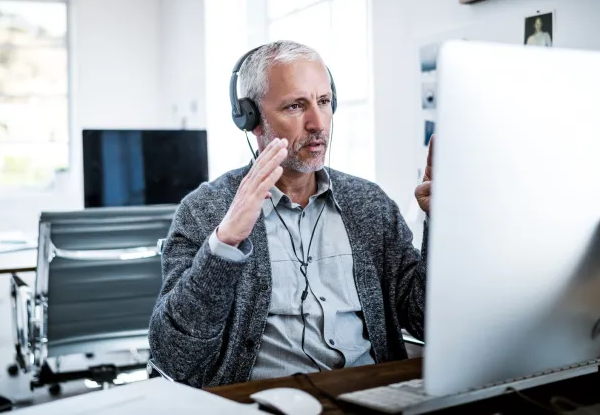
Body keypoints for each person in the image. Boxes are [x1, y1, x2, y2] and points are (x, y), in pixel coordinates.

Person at [148, 40, 433, 388]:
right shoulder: (205, 209)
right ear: (250, 119)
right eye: (296, 106)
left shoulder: (370, 204)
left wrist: (443, 225)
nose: (317, 123)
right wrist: (225, 243)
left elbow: (424, 322)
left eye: (324, 102)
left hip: (372, 394)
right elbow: (173, 356)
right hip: (263, 402)